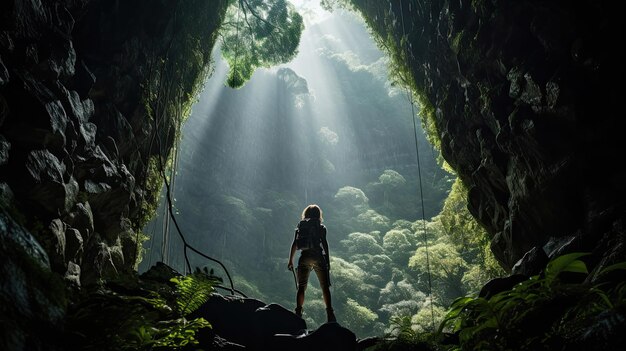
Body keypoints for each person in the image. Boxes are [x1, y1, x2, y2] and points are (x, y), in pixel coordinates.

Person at [288, 204, 336, 322]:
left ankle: (298, 312)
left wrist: (290, 260)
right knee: (325, 287)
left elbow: (295, 243)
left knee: (301, 287)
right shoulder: (321, 227)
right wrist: (328, 261)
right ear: (318, 214)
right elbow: (324, 244)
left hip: (304, 257)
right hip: (318, 256)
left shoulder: (300, 226)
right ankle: (330, 314)